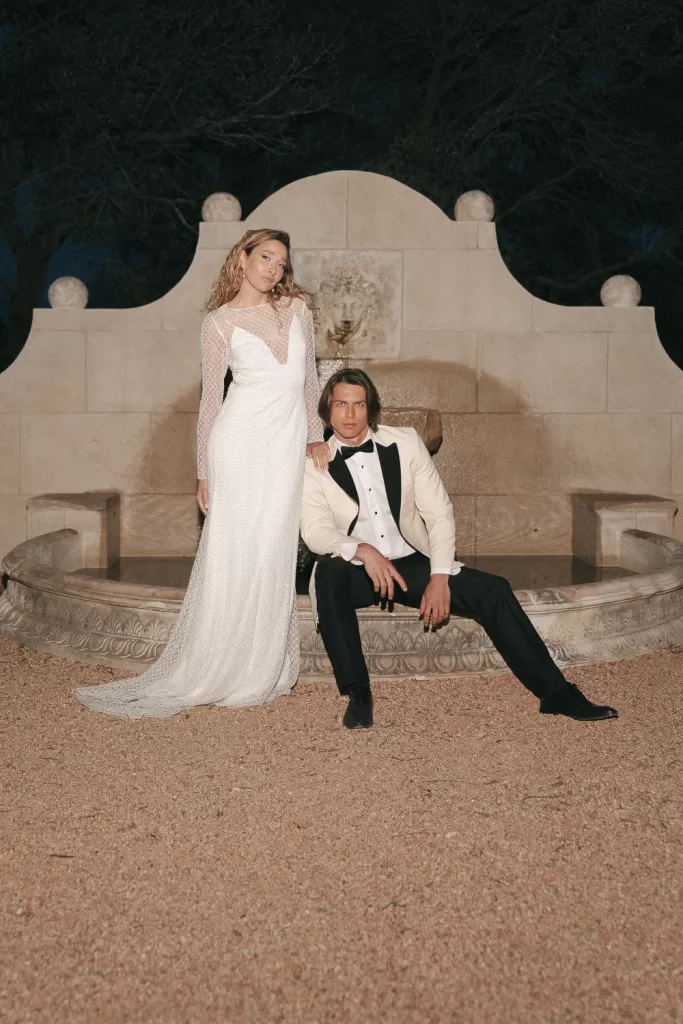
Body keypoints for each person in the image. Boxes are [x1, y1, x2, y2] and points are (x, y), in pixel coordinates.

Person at [75, 229, 329, 718]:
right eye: (266, 258)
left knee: (273, 548)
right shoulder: (218, 324)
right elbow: (211, 401)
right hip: (237, 446)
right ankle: (215, 663)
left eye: (281, 262)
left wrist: (315, 437)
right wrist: (203, 472)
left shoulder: (298, 309)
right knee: (232, 550)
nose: (274, 269)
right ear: (243, 257)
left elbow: (311, 381)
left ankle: (261, 667)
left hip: (283, 447)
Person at [300, 368, 618, 729]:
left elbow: (438, 513)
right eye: (341, 404)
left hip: (408, 561)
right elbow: (315, 531)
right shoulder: (315, 461)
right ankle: (358, 693)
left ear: (371, 410)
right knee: (328, 573)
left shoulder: (404, 443)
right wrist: (361, 550)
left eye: (359, 404)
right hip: (357, 568)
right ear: (328, 411)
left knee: (493, 590)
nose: (351, 414)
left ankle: (557, 695)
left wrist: (439, 577)